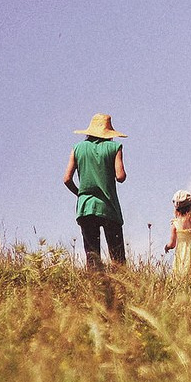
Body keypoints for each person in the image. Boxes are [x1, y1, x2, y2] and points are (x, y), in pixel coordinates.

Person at [64, 113, 127, 272]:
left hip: (86, 206)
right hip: (108, 206)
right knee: (117, 257)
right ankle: (120, 288)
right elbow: (120, 176)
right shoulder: (114, 148)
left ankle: (94, 287)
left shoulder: (78, 148)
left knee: (92, 257)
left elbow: (66, 179)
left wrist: (80, 193)